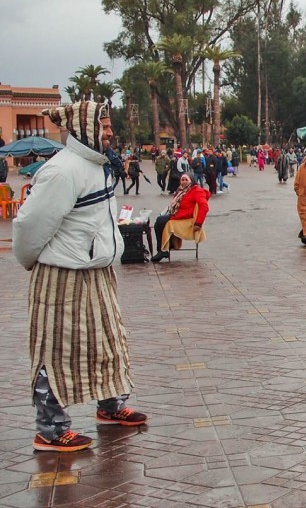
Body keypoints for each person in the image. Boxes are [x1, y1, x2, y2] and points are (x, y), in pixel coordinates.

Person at [13, 101, 147, 453]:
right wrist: (38, 263)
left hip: (97, 274)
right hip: (62, 278)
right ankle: (51, 429)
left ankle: (111, 406)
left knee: (109, 343)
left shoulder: (97, 167)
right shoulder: (62, 171)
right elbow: (28, 228)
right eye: (103, 126)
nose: (109, 132)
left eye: (109, 125)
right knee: (56, 351)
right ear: (84, 128)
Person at [150, 173, 210, 262]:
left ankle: (163, 250)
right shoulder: (181, 190)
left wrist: (198, 223)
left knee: (160, 221)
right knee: (159, 221)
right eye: (182, 180)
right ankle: (165, 248)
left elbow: (204, 207)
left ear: (191, 181)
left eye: (186, 180)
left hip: (187, 219)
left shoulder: (196, 190)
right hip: (178, 215)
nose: (184, 182)